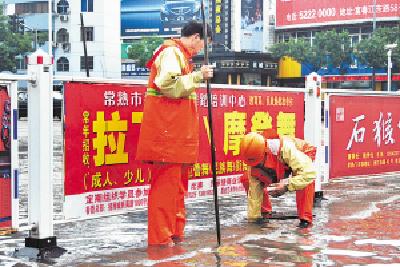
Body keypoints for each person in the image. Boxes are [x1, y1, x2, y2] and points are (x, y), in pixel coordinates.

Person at [136, 21, 213, 246]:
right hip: (167, 136)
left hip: (177, 136)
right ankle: (161, 238)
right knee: (165, 190)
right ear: (196, 37)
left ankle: (174, 233)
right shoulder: (171, 53)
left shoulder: (180, 57)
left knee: (177, 188)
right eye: (204, 45)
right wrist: (198, 77)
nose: (201, 50)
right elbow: (167, 86)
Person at [239, 130, 317, 228]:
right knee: (247, 178)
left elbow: (309, 173)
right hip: (280, 162)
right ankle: (264, 212)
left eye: (258, 163)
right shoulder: (252, 157)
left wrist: (286, 186)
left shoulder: (285, 148)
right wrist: (253, 219)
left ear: (265, 151)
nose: (256, 166)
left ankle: (305, 219)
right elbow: (254, 192)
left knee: (304, 179)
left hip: (302, 153)